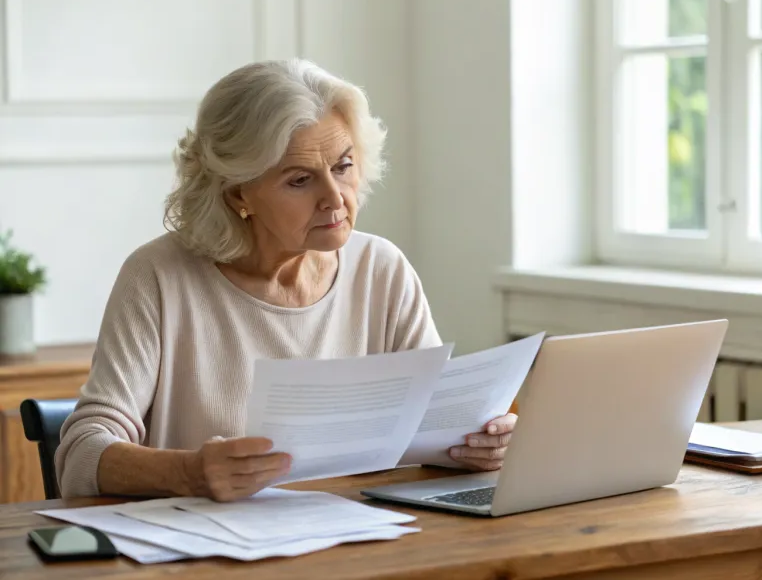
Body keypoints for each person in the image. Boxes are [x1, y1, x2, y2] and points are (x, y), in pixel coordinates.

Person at [55, 59, 517, 501]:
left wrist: (474, 447)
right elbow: (81, 455)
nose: (335, 198)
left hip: (363, 540)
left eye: (343, 166)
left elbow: (434, 427)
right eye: (300, 180)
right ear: (239, 193)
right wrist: (189, 473)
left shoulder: (382, 268)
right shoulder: (158, 277)